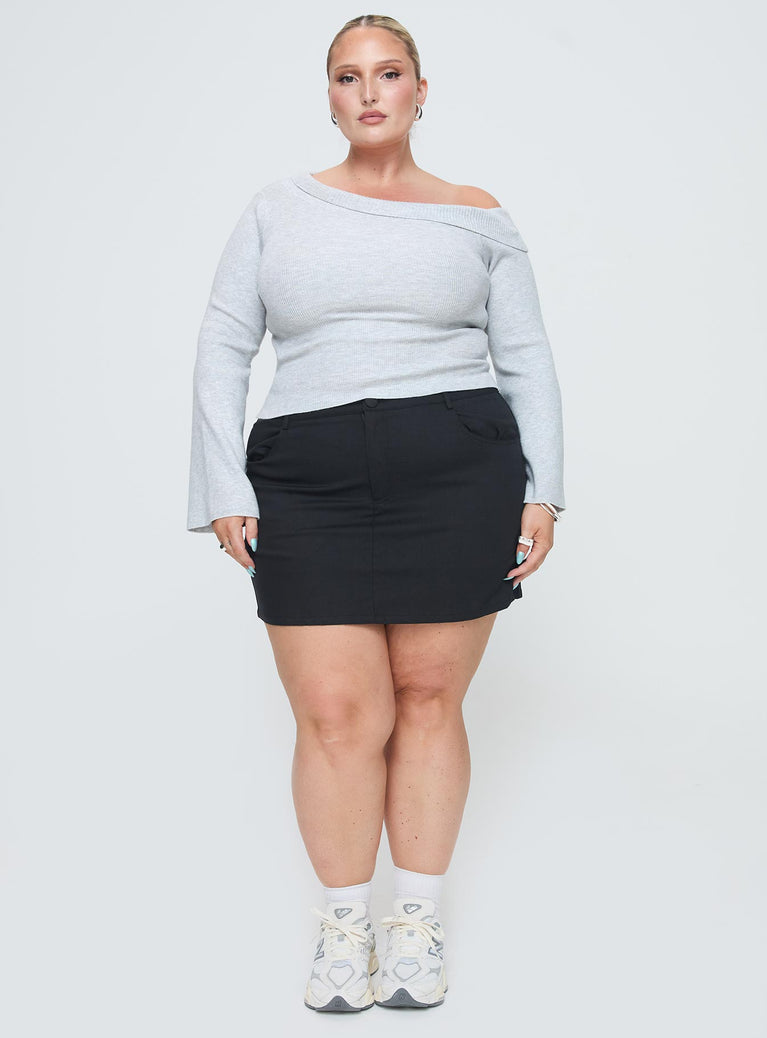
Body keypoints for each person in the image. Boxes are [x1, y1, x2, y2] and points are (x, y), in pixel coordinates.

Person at [186, 13, 566, 1014]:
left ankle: (416, 925)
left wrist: (543, 487)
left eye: (387, 73)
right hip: (307, 476)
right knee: (336, 712)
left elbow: (525, 356)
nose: (368, 93)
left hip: (456, 468)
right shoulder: (275, 210)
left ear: (419, 91)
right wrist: (223, 486)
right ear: (329, 96)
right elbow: (224, 344)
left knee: (428, 697)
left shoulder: (477, 216)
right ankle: (344, 926)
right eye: (348, 76)